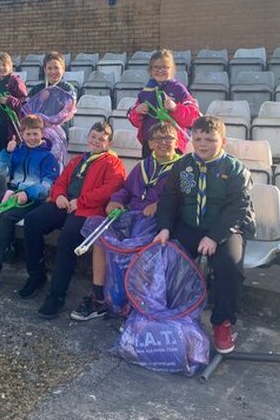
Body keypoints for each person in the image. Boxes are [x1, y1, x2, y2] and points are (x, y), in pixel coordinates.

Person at [153, 115, 255, 354]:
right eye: (198, 138)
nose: (203, 144)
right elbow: (169, 198)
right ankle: (171, 314)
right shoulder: (183, 165)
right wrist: (165, 227)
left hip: (225, 228)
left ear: (223, 141)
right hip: (191, 225)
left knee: (228, 266)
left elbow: (239, 208)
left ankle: (222, 322)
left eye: (210, 139)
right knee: (169, 256)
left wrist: (215, 236)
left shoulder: (235, 169)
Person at [71, 121, 181, 321]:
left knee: (136, 246)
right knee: (101, 239)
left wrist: (159, 205)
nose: (163, 143)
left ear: (177, 141)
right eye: (158, 139)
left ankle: (134, 302)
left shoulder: (181, 168)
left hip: (157, 221)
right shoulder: (144, 165)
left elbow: (182, 199)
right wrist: (116, 200)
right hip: (131, 216)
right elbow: (126, 189)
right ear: (151, 144)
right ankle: (98, 297)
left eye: (168, 138)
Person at [20, 121, 126, 319]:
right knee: (33, 220)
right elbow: (61, 182)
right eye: (93, 137)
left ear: (109, 143)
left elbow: (111, 189)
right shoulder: (77, 160)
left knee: (67, 239)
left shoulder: (113, 163)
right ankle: (36, 276)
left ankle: (57, 295)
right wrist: (59, 195)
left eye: (101, 139)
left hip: (88, 210)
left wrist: (82, 201)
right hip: (65, 204)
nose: (95, 141)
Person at [0, 114, 60, 288]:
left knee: (6, 217)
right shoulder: (17, 151)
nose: (32, 138)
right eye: (28, 134)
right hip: (11, 194)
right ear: (22, 135)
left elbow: (48, 185)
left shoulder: (48, 158)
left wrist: (28, 192)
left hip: (32, 199)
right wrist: (6, 152)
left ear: (42, 133)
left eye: (35, 134)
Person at [128, 49, 199, 158]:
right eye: (156, 67)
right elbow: (135, 121)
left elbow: (193, 117)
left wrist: (175, 108)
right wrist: (137, 111)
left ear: (172, 70)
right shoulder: (145, 91)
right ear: (150, 70)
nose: (160, 70)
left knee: (171, 173)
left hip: (172, 144)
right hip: (150, 143)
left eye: (165, 67)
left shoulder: (178, 89)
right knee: (149, 173)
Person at [22, 51, 77, 166]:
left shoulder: (67, 88)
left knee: (54, 166)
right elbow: (27, 110)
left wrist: (45, 121)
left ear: (63, 68)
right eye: (49, 68)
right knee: (37, 164)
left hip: (59, 134)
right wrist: (41, 99)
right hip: (38, 135)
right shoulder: (38, 89)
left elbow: (66, 112)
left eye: (56, 68)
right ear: (44, 69)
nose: (53, 72)